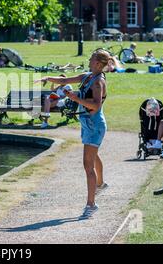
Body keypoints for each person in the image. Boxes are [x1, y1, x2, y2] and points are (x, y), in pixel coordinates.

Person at [35, 49, 111, 218]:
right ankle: (100, 183)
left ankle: (91, 205)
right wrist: (48, 78)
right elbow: (65, 80)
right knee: (93, 156)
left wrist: (75, 98)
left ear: (98, 64)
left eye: (91, 59)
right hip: (87, 123)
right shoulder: (87, 76)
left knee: (87, 165)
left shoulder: (98, 82)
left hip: (94, 124)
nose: (89, 60)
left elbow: (96, 105)